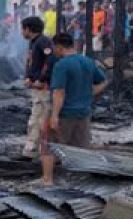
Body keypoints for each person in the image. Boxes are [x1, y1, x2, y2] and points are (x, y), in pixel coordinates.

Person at [40, 33, 107, 185]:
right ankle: (78, 181)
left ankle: (47, 180)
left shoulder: (61, 65)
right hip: (83, 113)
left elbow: (59, 92)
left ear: (59, 47)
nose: (53, 51)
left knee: (49, 146)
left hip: (65, 113)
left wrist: (54, 116)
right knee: (80, 148)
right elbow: (103, 81)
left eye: (54, 47)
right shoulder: (88, 61)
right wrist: (89, 94)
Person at [19, 16, 54, 158]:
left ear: (28, 29)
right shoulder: (34, 43)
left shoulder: (43, 41)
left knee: (38, 118)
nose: (21, 32)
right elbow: (31, 62)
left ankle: (32, 150)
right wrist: (29, 77)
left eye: (22, 29)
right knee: (38, 116)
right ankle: (37, 148)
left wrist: (41, 79)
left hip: (43, 88)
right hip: (37, 87)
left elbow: (50, 60)